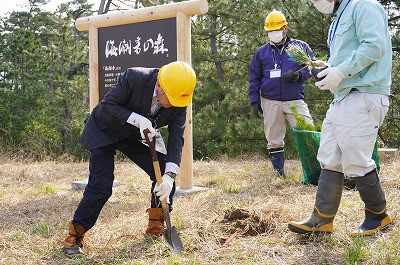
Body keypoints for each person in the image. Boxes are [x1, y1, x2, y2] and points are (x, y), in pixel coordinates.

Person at [62, 61, 196, 255]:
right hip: (104, 129)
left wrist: (169, 177)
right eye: (171, 99)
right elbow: (108, 106)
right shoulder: (135, 77)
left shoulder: (179, 100)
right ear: (159, 85)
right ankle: (75, 236)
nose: (175, 105)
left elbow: (176, 140)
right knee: (101, 185)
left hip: (132, 136)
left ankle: (156, 225)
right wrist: (139, 119)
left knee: (166, 171)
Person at [288, 0, 392, 236]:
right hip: (344, 97)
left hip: (363, 93)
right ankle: (322, 218)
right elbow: (349, 53)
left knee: (356, 159)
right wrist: (329, 66)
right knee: (329, 156)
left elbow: (375, 46)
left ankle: (378, 215)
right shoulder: (342, 13)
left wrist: (341, 71)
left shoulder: (364, 5)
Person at [248, 10, 315, 177]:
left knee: (308, 132)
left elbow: (311, 67)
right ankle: (279, 174)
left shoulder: (300, 47)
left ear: (285, 28)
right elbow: (254, 77)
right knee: (274, 139)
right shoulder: (261, 53)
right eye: (270, 31)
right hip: (270, 101)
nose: (274, 34)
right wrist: (254, 100)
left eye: (276, 30)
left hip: (295, 100)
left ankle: (314, 172)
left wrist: (299, 75)